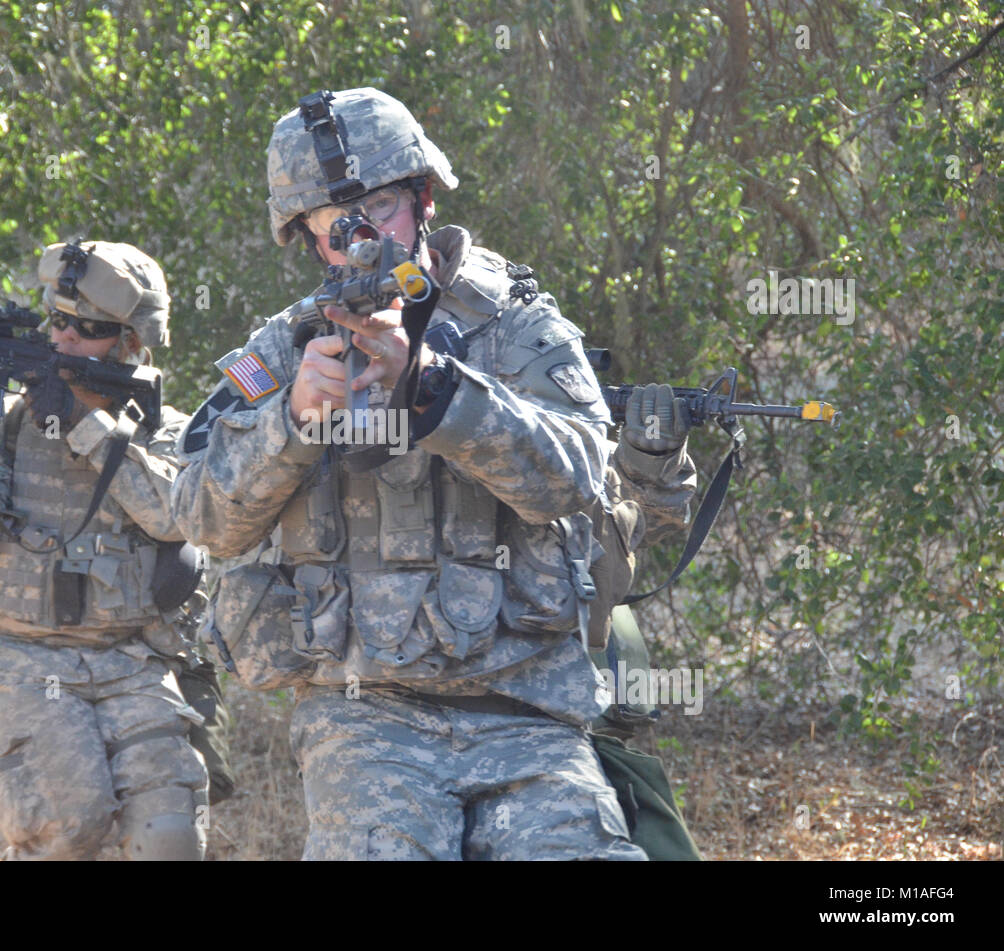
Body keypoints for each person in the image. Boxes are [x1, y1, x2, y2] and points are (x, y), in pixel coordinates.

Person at [174, 88, 682, 859]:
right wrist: (294, 420)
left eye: (379, 207)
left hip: (526, 708)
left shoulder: (514, 324)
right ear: (310, 242)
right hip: (365, 714)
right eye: (335, 226)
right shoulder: (285, 351)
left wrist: (437, 389)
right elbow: (201, 516)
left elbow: (577, 473)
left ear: (423, 197)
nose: (362, 238)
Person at [0, 240, 219, 860]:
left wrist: (86, 425)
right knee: (70, 827)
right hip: (29, 664)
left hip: (135, 662)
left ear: (133, 345)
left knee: (169, 840)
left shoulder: (166, 431)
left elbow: (179, 515)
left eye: (87, 329)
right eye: (56, 321)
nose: (63, 339)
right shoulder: (7, 425)